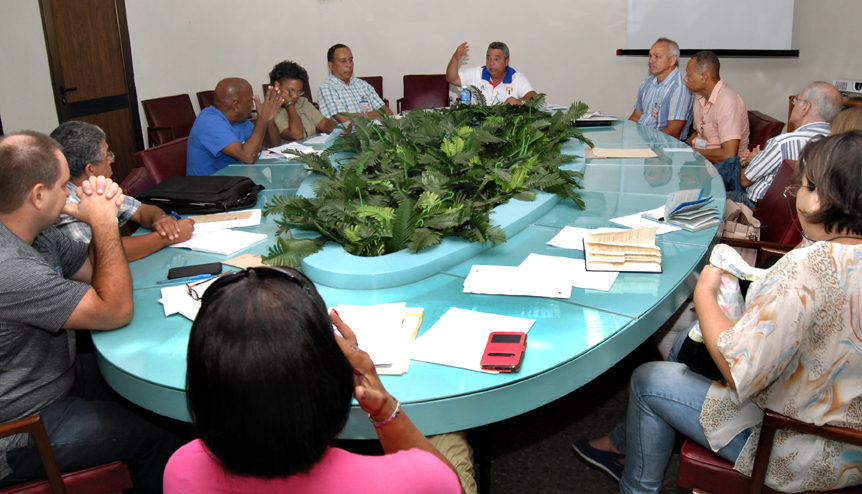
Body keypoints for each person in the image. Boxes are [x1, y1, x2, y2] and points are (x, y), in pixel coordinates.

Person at [573, 131, 862, 493]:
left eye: (799, 187)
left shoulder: (804, 269)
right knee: (684, 346)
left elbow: (740, 373)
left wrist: (706, 292)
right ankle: (624, 444)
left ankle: (636, 484)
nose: (797, 196)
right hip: (849, 437)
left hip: (797, 446)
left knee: (647, 380)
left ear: (818, 199)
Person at [163, 266, 464, 494]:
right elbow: (450, 485)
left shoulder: (181, 469)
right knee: (450, 438)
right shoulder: (422, 478)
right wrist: (386, 409)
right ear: (332, 386)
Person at [0, 131, 183, 493]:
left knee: (148, 377)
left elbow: (93, 271)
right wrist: (102, 221)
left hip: (55, 377)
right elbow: (114, 311)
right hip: (21, 426)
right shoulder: (11, 267)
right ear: (38, 196)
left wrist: (101, 213)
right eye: (62, 186)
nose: (70, 193)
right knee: (161, 430)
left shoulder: (38, 233)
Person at [50, 121, 195, 260]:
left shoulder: (97, 188)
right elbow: (100, 254)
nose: (111, 160)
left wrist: (160, 219)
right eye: (107, 155)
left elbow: (141, 210)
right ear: (90, 169)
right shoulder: (66, 202)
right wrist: (168, 237)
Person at [712, 82, 841, 209]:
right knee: (733, 165)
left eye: (797, 100)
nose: (794, 104)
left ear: (805, 108)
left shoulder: (783, 143)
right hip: (797, 210)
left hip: (757, 207)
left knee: (705, 199)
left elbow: (745, 180)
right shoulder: (838, 145)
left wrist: (752, 162)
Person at [186, 77, 284, 176]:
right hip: (208, 183)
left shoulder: (239, 120)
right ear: (236, 106)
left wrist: (269, 119)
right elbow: (248, 157)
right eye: (250, 101)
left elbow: (273, 144)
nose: (252, 106)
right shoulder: (209, 122)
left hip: (233, 178)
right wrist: (262, 118)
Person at [683, 51, 749, 164]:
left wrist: (693, 152)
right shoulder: (699, 95)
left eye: (689, 75)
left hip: (721, 167)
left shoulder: (727, 101)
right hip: (701, 159)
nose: (685, 79)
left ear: (703, 77)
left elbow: (729, 155)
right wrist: (682, 146)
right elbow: (699, 132)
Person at [628, 38, 693, 140]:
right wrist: (626, 135)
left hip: (662, 145)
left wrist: (642, 139)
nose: (651, 61)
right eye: (650, 56)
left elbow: (673, 133)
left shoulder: (680, 88)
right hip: (642, 141)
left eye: (657, 56)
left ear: (672, 60)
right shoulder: (648, 82)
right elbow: (636, 117)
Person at [317, 44, 394, 125]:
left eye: (350, 60)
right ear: (331, 65)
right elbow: (345, 119)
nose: (349, 65)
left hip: (374, 131)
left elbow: (388, 112)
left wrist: (358, 116)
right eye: (343, 61)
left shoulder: (362, 85)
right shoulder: (327, 88)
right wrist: (375, 114)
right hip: (347, 133)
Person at [446, 41, 536, 106]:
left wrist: (520, 102)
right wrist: (455, 59)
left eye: (496, 59)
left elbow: (533, 96)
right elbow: (451, 78)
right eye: (489, 58)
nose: (491, 63)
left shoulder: (516, 78)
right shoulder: (477, 73)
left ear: (506, 61)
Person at [269, 60, 338, 142]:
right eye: (290, 90)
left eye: (299, 91)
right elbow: (297, 135)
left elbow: (324, 123)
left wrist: (339, 128)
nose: (295, 96)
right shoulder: (270, 110)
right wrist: (289, 104)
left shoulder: (302, 102)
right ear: (277, 86)